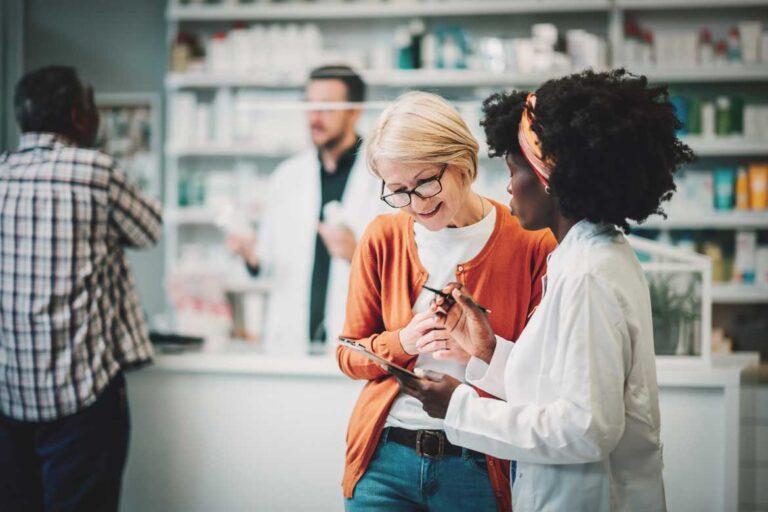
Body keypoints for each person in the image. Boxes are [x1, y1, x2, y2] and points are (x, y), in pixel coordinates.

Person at [397, 69, 695, 511]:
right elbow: (557, 388)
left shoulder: (589, 275)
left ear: (551, 178)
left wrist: (459, 408)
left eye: (514, 170)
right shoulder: (584, 257)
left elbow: (585, 428)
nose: (507, 185)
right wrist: (489, 350)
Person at [337, 91, 556, 511]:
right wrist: (404, 342)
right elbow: (349, 355)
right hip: (384, 461)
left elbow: (544, 378)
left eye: (424, 183)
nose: (415, 204)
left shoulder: (531, 242)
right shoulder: (383, 236)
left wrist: (482, 352)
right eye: (398, 191)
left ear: (462, 162)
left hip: (478, 461)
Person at [0, 66, 162, 511]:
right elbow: (150, 230)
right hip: (84, 397)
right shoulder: (94, 171)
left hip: (11, 396)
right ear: (78, 115)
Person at [227, 65, 386, 350]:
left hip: (359, 344)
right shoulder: (287, 177)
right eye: (309, 105)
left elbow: (405, 272)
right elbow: (269, 265)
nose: (314, 117)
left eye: (326, 107)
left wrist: (356, 255)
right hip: (291, 343)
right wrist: (251, 256)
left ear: (355, 110)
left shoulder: (383, 176)